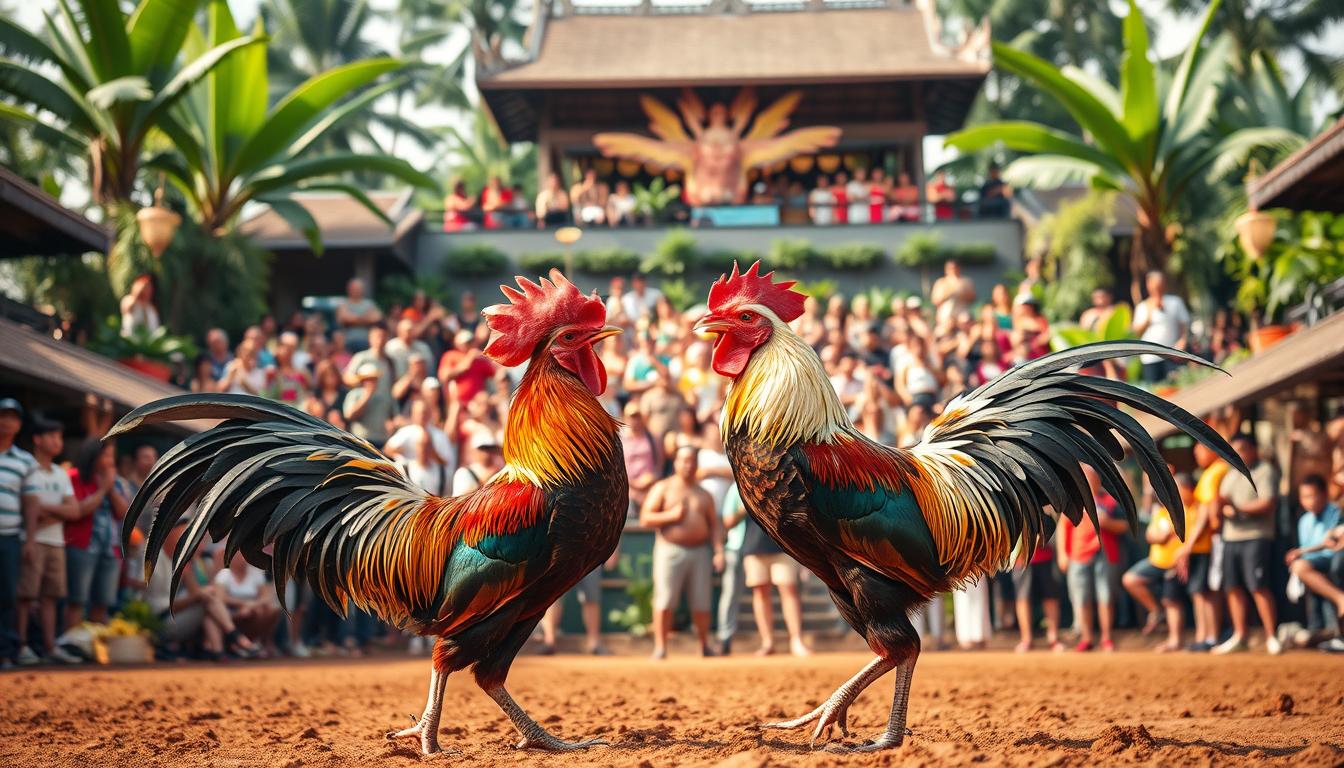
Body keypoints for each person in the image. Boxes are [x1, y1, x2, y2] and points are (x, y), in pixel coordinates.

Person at [641, 446, 724, 659]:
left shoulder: (704, 494)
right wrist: (670, 516)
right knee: (665, 600)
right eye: (684, 460)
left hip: (699, 552)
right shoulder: (663, 488)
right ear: (676, 463)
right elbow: (646, 518)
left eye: (692, 461)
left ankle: (704, 645)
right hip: (669, 550)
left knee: (701, 601)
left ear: (697, 464)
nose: (688, 465)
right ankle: (660, 647)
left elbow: (714, 526)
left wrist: (718, 551)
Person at [17, 417, 81, 664]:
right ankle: (21, 645)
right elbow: (26, 509)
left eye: (59, 436)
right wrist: (55, 511)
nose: (58, 441)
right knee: (25, 596)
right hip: (31, 539)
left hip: (56, 542)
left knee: (51, 596)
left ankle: (49, 646)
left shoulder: (60, 473)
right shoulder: (27, 468)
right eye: (52, 436)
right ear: (37, 439)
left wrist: (42, 509)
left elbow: (74, 512)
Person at [1213, 434, 1283, 655]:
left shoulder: (1265, 471)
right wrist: (1220, 508)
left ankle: (1272, 636)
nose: (1238, 454)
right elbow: (1221, 502)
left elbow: (1268, 503)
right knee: (1232, 588)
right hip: (1230, 537)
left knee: (1258, 586)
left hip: (1256, 535)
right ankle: (1240, 635)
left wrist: (1236, 508)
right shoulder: (1231, 473)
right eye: (1234, 450)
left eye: (1242, 449)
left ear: (1254, 449)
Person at [1122, 472, 1197, 651]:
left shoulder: (1188, 510)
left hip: (1176, 562)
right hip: (1156, 561)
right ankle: (1156, 611)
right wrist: (1161, 537)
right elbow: (1150, 535)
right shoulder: (1161, 512)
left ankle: (1175, 640)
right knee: (1130, 579)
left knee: (1172, 600)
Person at [1057, 465, 1126, 652]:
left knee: (1106, 597)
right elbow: (1064, 528)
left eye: (1089, 478)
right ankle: (1086, 638)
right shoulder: (1072, 503)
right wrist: (1063, 554)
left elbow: (1125, 526)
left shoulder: (1110, 502)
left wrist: (1108, 523)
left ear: (1097, 481)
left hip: (1105, 553)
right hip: (1078, 555)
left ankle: (1106, 638)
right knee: (1081, 598)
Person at [64, 439, 129, 629]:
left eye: (112, 455)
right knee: (77, 600)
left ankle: (95, 647)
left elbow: (123, 512)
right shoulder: (75, 477)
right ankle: (72, 643)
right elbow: (79, 510)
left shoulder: (114, 481)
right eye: (106, 455)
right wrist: (102, 490)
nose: (110, 460)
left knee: (103, 601)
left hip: (110, 549)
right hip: (82, 545)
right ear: (93, 456)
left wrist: (110, 489)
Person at [741, 503, 810, 657]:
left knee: (789, 590)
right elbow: (727, 520)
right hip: (754, 546)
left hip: (784, 545)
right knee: (760, 593)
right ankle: (767, 642)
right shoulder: (740, 485)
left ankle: (796, 640)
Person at [1178, 440, 1228, 651]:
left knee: (1206, 591)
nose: (1196, 454)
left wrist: (1189, 544)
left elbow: (1206, 513)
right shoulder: (1209, 473)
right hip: (1203, 543)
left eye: (1200, 449)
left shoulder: (1216, 471)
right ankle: (1205, 635)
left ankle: (1211, 636)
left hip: (1208, 542)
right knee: (1200, 591)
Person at [0, 398, 34, 666]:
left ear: (19, 424)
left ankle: (6, 651)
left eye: (12, 417)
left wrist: (29, 539)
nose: (7, 421)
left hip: (11, 535)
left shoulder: (24, 461)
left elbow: (30, 503)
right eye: (3, 415)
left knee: (8, 594)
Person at [1285, 475, 1343, 629]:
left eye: (1313, 495)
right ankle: (1320, 628)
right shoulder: (1304, 520)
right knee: (1301, 568)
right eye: (1305, 496)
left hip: (1335, 559)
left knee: (1302, 567)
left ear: (1325, 494)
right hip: (1315, 562)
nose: (1309, 501)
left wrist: (1300, 552)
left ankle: (1340, 599)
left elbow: (1330, 543)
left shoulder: (1336, 511)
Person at [215, 551, 281, 657]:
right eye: (239, 555)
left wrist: (251, 606)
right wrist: (244, 605)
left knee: (272, 610)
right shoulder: (224, 574)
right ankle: (242, 644)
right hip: (230, 613)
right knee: (259, 611)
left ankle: (259, 642)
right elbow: (220, 598)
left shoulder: (256, 572)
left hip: (253, 610)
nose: (242, 558)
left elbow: (266, 597)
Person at [384, 398, 454, 496]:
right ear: (413, 414)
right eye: (419, 413)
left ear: (429, 413)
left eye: (424, 412)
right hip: (410, 478)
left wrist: (431, 453)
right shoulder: (406, 432)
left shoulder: (440, 435)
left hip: (433, 479)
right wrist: (402, 454)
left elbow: (448, 462)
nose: (422, 416)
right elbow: (388, 450)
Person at [1131, 271, 1190, 383]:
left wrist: (1183, 340)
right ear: (1148, 285)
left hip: (1173, 354)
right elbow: (1136, 332)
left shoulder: (1175, 302)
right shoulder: (1142, 307)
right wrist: (1150, 312)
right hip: (1150, 358)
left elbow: (1184, 323)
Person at [1012, 539, 1064, 652]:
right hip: (1021, 558)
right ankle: (1026, 639)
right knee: (1022, 598)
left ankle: (1053, 638)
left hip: (1046, 556)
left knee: (1050, 597)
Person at [717, 484, 747, 655]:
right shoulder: (735, 488)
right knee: (730, 593)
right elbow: (727, 521)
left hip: (761, 549)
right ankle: (725, 638)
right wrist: (746, 509)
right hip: (736, 547)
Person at [437, 330, 497, 406]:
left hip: (477, 404)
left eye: (470, 342)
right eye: (466, 343)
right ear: (457, 344)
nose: (469, 345)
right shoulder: (450, 356)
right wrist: (469, 358)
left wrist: (486, 357)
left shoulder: (479, 359)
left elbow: (495, 372)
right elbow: (444, 376)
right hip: (457, 403)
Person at [343, 362, 396, 446]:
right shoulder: (354, 394)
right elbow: (350, 415)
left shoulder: (384, 396)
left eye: (374, 379)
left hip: (382, 441)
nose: (372, 382)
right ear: (362, 380)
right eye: (369, 379)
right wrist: (367, 395)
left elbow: (393, 417)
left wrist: (392, 424)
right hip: (361, 440)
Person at [334, 278, 383, 352]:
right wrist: (366, 319)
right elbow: (344, 318)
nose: (357, 290)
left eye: (359, 288)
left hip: (368, 343)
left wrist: (353, 319)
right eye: (355, 288)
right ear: (349, 289)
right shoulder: (343, 304)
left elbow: (378, 318)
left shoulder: (369, 303)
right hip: (348, 343)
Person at [930, 259, 976, 326]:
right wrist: (949, 292)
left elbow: (972, 299)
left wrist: (962, 292)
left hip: (962, 315)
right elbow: (935, 301)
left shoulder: (966, 282)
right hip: (945, 316)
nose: (953, 270)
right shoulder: (940, 282)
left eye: (954, 268)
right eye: (950, 268)